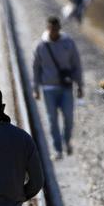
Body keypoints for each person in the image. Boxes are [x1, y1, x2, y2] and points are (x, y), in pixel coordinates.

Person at [32, 16, 84, 158]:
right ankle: (57, 149)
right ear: (47, 28)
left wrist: (80, 85)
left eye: (55, 29)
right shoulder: (40, 46)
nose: (53, 31)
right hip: (48, 89)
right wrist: (35, 88)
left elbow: (76, 65)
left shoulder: (68, 43)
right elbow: (36, 68)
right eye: (50, 28)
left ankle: (66, 141)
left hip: (66, 87)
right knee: (52, 119)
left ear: (59, 29)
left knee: (68, 117)